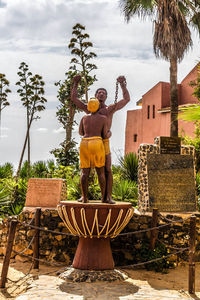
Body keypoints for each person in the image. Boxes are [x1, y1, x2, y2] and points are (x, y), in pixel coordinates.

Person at [71, 75, 130, 204]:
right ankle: (84, 196)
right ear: (95, 96)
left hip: (104, 142)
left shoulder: (109, 109)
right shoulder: (88, 109)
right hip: (92, 141)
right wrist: (75, 83)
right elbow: (74, 99)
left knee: (107, 169)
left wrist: (122, 85)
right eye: (99, 92)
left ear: (106, 97)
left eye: (104, 93)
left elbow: (126, 99)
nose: (101, 94)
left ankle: (107, 197)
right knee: (85, 171)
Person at [79, 97, 110, 203]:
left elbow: (80, 132)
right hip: (97, 142)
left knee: (84, 173)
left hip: (84, 143)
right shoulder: (103, 118)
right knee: (100, 172)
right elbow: (105, 135)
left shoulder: (84, 118)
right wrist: (109, 133)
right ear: (98, 107)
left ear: (88, 106)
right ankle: (103, 198)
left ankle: (84, 198)